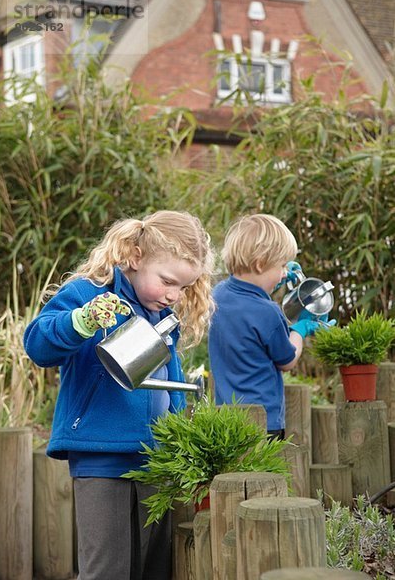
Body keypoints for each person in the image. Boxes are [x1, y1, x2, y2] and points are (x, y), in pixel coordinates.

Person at [24, 210, 214, 580]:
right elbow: (38, 345)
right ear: (136, 257)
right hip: (101, 456)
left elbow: (168, 378)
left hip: (154, 461)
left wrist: (179, 435)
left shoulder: (161, 315)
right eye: (168, 281)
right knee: (105, 569)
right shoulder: (89, 294)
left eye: (184, 287)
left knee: (152, 566)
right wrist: (80, 322)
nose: (174, 295)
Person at [208, 213, 332, 441]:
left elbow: (247, 305)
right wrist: (300, 330)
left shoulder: (218, 295)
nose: (285, 272)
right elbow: (287, 361)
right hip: (264, 421)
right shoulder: (269, 312)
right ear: (259, 264)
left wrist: (274, 281)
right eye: (282, 266)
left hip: (225, 416)